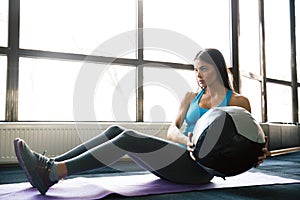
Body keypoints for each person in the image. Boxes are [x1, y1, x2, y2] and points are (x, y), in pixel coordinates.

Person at [14, 48, 268, 195]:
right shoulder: (190, 97)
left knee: (127, 139)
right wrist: (186, 139)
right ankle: (51, 166)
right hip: (175, 157)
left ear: (219, 69)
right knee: (116, 130)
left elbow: (248, 139)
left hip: (200, 171)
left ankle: (52, 173)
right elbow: (172, 131)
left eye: (205, 69)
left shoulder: (238, 102)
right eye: (196, 69)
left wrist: (256, 155)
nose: (199, 75)